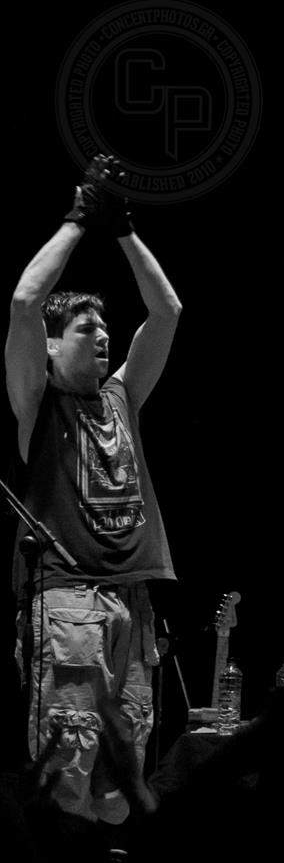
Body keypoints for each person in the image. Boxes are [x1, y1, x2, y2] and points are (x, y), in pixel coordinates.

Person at [7, 154, 181, 824]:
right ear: (50, 348)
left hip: (130, 603)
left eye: (107, 328)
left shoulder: (123, 397)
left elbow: (166, 310)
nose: (104, 336)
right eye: (86, 328)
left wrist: (125, 229)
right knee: (65, 772)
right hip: (69, 600)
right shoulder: (37, 401)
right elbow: (25, 301)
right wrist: (80, 219)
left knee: (122, 784)